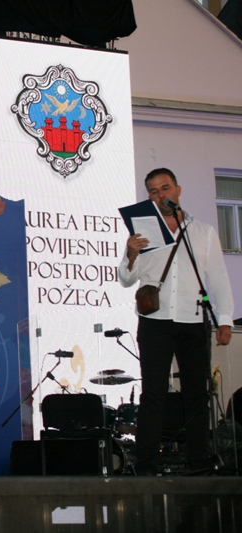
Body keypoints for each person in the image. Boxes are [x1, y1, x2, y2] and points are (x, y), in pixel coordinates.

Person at [120, 168, 234, 475]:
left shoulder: (203, 231)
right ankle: (146, 465)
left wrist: (224, 319)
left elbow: (218, 279)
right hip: (155, 321)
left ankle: (200, 464)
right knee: (153, 393)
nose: (160, 195)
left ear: (178, 190)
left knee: (196, 394)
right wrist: (131, 253)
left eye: (165, 188)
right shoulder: (143, 231)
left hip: (193, 318)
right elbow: (126, 279)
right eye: (153, 191)